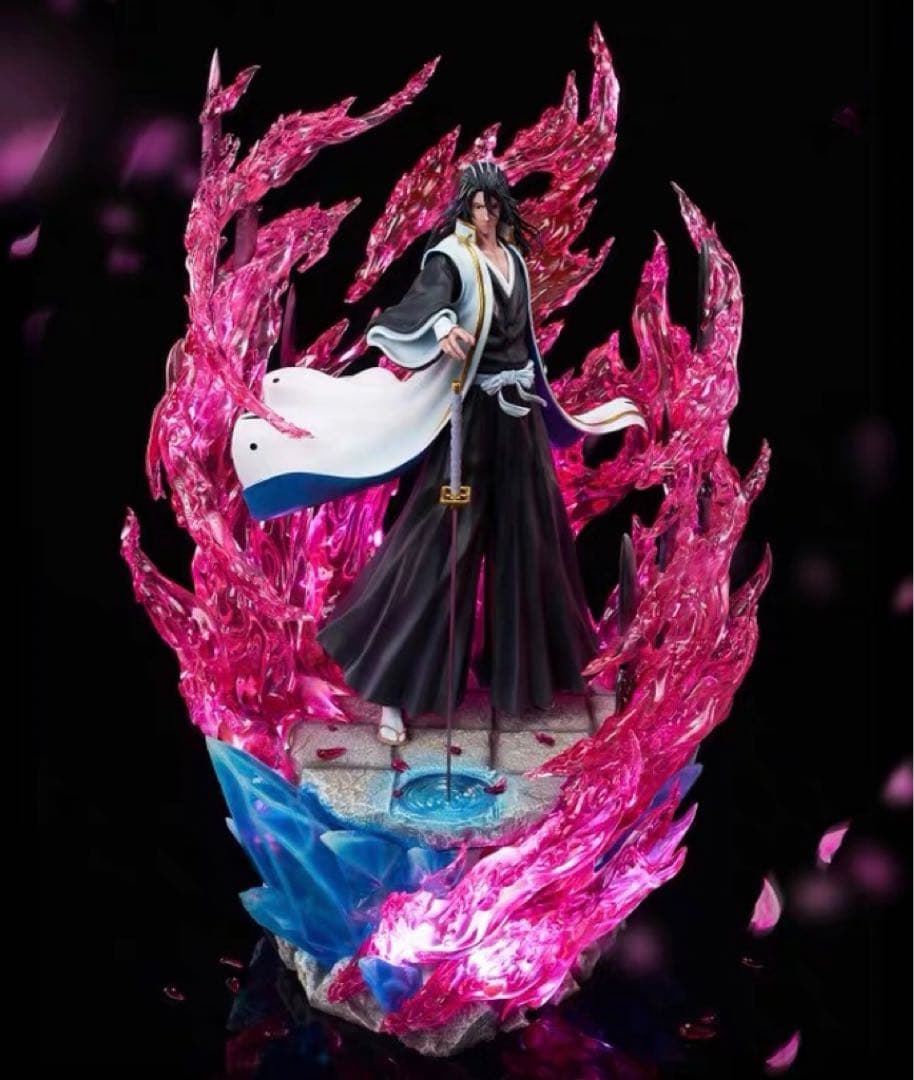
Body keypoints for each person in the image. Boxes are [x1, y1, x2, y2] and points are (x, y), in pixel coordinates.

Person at [308, 162, 645, 744]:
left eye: (492, 203)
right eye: (476, 205)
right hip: (469, 421)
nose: (485, 214)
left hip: (519, 420)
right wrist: (442, 326)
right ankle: (392, 692)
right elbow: (412, 308)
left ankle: (526, 684)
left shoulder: (512, 259)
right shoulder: (452, 259)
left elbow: (525, 344)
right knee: (442, 549)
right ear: (465, 207)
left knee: (531, 542)